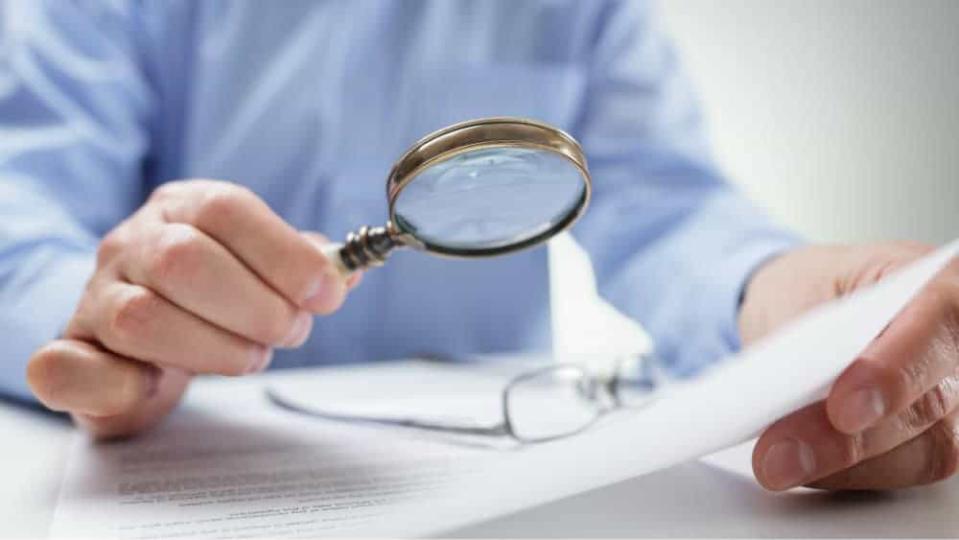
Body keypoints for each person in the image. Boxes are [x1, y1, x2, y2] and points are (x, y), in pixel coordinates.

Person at [1, 1, 955, 493]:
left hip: (493, 488)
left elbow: (669, 211)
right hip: (181, 475)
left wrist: (789, 301)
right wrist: (110, 324)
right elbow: (19, 219)